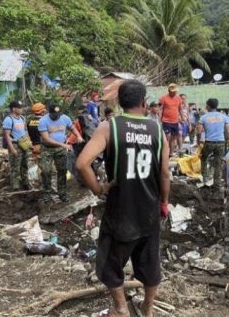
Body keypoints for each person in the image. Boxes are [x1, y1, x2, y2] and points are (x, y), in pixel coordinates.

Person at [75, 80, 170, 317]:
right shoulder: (157, 129)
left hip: (121, 210)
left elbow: (82, 163)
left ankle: (121, 308)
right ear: (144, 102)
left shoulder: (109, 127)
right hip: (148, 209)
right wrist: (164, 202)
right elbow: (165, 173)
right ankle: (148, 308)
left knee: (110, 263)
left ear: (118, 102)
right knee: (149, 262)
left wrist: (99, 189)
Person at [39, 103, 83, 202]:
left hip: (60, 150)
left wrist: (78, 136)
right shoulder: (43, 121)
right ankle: (47, 193)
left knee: (62, 170)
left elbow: (72, 128)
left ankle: (62, 193)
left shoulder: (64, 118)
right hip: (47, 149)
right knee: (46, 171)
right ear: (49, 112)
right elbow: (46, 139)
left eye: (58, 114)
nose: (57, 116)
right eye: (54, 115)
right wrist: (64, 145)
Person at [197, 98, 229, 188]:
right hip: (221, 142)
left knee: (203, 158)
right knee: (219, 163)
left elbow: (199, 132)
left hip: (209, 142)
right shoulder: (224, 117)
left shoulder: (203, 117)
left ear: (208, 106)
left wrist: (198, 142)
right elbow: (227, 131)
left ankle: (205, 178)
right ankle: (217, 183)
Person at [2, 101, 32, 191]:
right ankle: (15, 186)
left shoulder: (22, 118)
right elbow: (6, 136)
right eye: (19, 108)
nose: (21, 109)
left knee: (25, 165)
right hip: (15, 144)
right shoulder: (8, 120)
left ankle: (25, 183)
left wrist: (29, 143)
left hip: (24, 143)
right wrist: (12, 149)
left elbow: (25, 131)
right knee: (15, 166)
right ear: (14, 109)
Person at [158, 83, 183, 156]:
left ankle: (171, 153)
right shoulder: (163, 98)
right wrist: (160, 119)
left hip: (175, 121)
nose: (174, 93)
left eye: (175, 91)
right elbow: (160, 109)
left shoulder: (178, 98)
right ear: (169, 91)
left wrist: (183, 117)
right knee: (167, 137)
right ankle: (165, 152)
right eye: (173, 91)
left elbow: (180, 109)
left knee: (173, 138)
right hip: (166, 121)